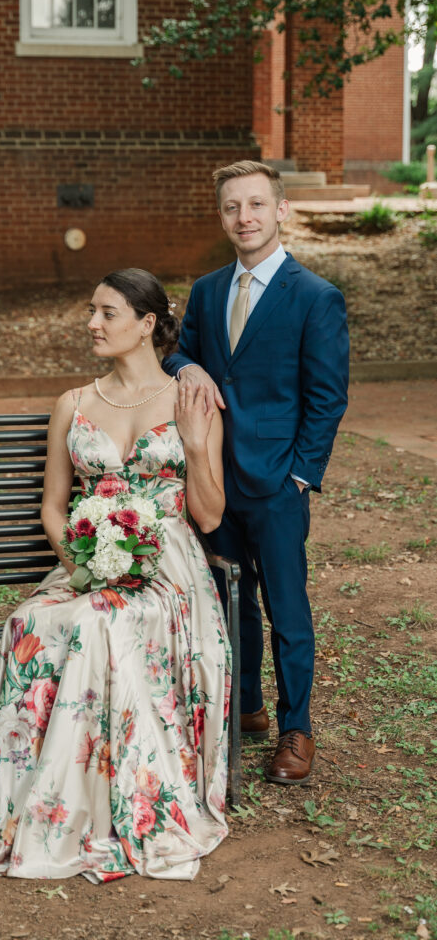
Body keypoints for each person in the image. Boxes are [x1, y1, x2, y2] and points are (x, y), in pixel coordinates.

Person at [0, 268, 231, 881]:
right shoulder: (75, 403)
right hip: (90, 563)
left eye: (107, 313)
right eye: (91, 313)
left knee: (102, 625)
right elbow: (52, 506)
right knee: (30, 623)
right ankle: (37, 807)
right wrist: (84, 564)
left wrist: (199, 450)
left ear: (147, 324)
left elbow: (208, 513)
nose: (92, 324)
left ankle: (110, 809)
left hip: (167, 570)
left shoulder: (189, 400)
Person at [163, 160, 349, 785]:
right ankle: (244, 707)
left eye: (256, 205)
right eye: (232, 208)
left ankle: (297, 729)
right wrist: (186, 367)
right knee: (224, 598)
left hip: (277, 483)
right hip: (213, 476)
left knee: (285, 609)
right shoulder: (210, 289)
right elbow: (182, 349)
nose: (244, 218)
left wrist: (300, 476)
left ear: (280, 210)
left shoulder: (316, 297)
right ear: (222, 217)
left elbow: (327, 397)